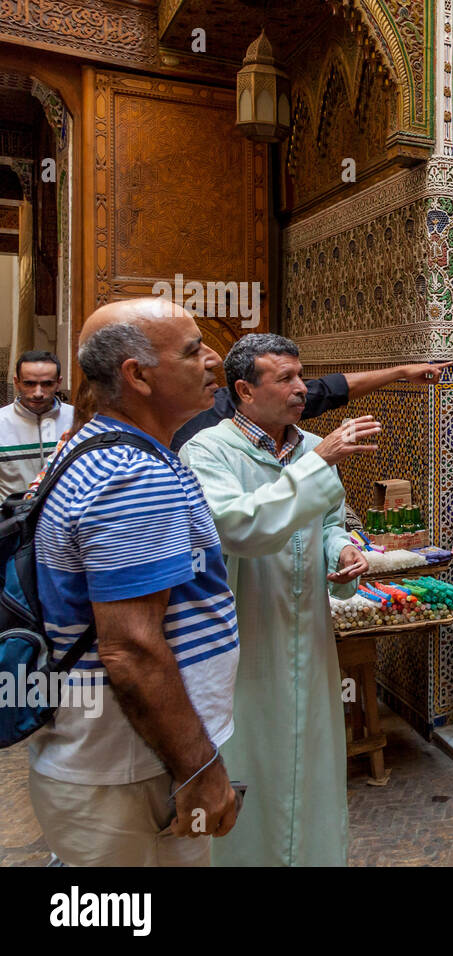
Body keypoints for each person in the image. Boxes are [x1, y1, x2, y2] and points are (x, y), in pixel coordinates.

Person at [29, 298, 240, 866]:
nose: (214, 361)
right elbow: (132, 648)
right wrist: (199, 766)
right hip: (133, 771)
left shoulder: (93, 446)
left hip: (116, 762)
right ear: (137, 375)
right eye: (194, 351)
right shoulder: (134, 474)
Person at [180, 334, 378, 866]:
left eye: (301, 375)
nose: (301, 388)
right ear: (244, 390)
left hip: (309, 639)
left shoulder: (313, 448)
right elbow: (237, 526)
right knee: (252, 764)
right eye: (285, 378)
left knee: (311, 768)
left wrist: (341, 554)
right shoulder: (206, 452)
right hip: (246, 643)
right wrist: (321, 464)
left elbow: (329, 524)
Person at [170, 358, 449, 451]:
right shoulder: (200, 447)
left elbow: (330, 389)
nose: (210, 359)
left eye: (299, 377)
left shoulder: (286, 421)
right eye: (191, 352)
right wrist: (321, 458)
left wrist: (400, 372)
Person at [0, 350, 75, 496]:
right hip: (10, 516)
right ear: (17, 383)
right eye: (29, 384)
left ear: (59, 383)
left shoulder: (77, 420)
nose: (38, 393)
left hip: (61, 516)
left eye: (47, 384)